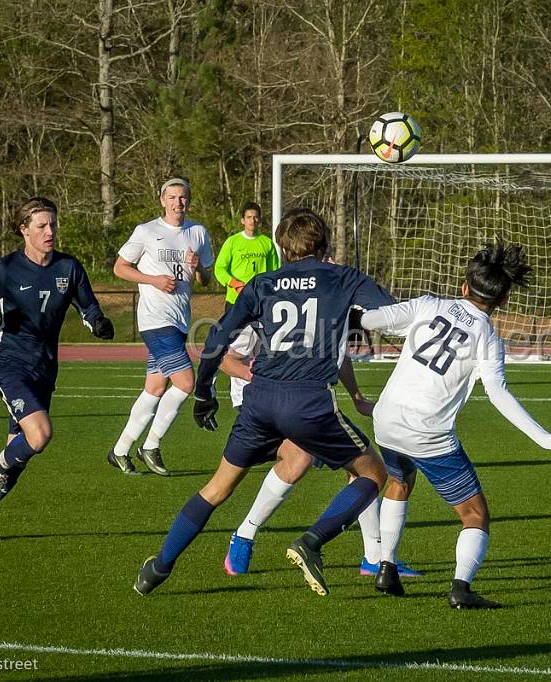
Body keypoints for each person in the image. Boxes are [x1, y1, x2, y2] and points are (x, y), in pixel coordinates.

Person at [134, 207, 394, 598]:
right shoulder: (343, 277)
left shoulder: (263, 282)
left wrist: (204, 392)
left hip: (260, 399)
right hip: (308, 400)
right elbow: (391, 312)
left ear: (281, 248)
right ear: (324, 244)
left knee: (217, 488)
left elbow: (217, 339)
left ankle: (159, 567)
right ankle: (311, 542)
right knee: (373, 473)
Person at [357, 242, 551, 609]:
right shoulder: (487, 338)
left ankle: (386, 567)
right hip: (427, 433)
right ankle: (461, 588)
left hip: (387, 420)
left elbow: (368, 320)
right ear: (502, 300)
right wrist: (544, 437)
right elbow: (498, 395)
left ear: (463, 286)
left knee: (399, 482)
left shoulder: (428, 304)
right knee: (475, 515)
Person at [0, 197, 114, 541]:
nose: (50, 231)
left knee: (22, 451)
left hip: (45, 369)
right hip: (9, 362)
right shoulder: (7, 268)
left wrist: (99, 324)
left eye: (53, 224)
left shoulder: (69, 268)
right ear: (23, 230)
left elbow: (89, 309)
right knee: (40, 435)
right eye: (42, 225)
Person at [218, 331, 421, 580]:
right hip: (259, 401)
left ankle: (374, 556)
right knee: (299, 458)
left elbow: (338, 354)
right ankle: (244, 535)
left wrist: (356, 397)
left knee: (364, 467)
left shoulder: (327, 303)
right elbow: (225, 358)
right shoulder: (265, 299)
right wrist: (256, 377)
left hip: (304, 402)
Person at [107, 177, 214, 476]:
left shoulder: (198, 232)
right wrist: (153, 280)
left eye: (182, 198)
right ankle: (151, 445)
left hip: (179, 319)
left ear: (188, 201)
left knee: (154, 388)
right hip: (154, 320)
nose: (177, 202)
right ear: (162, 200)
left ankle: (119, 450)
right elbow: (120, 268)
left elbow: (207, 280)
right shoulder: (146, 231)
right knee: (185, 383)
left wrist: (198, 268)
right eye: (172, 197)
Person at [214, 201, 280, 312]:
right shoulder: (232, 242)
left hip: (260, 300)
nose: (252, 221)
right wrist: (235, 284)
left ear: (259, 220)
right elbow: (219, 269)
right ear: (242, 220)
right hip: (235, 300)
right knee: (234, 330)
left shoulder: (267, 243)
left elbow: (274, 272)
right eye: (249, 217)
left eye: (255, 217)